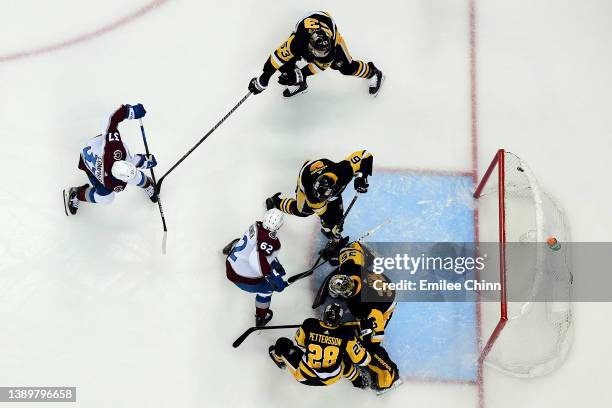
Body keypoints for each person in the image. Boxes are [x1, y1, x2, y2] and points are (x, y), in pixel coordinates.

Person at [248, 11, 384, 98]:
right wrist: (263, 80)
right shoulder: (297, 41)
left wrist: (301, 74)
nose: (320, 55)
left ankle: (373, 73)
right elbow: (277, 58)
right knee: (285, 63)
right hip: (309, 25)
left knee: (346, 68)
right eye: (317, 52)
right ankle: (300, 84)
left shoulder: (330, 53)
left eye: (323, 52)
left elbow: (320, 66)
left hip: (329, 29)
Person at [266, 150, 373, 259]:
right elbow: (324, 215)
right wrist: (332, 228)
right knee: (303, 211)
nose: (321, 200)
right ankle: (276, 202)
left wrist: (361, 177)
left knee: (337, 219)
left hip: (324, 173)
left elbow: (365, 155)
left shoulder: (344, 169)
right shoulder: (312, 196)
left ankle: (331, 235)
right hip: (306, 174)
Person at [325, 242, 402, 394]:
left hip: (384, 306)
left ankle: (391, 376)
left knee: (370, 348)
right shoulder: (351, 271)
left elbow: (376, 336)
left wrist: (366, 340)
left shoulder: (364, 308)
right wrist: (335, 254)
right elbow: (353, 248)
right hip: (378, 285)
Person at [63, 103, 157, 216]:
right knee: (107, 197)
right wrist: (143, 161)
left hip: (94, 150)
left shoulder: (113, 149)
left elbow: (110, 120)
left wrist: (129, 111)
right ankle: (76, 194)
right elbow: (132, 168)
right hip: (89, 165)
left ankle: (148, 184)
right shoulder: (114, 183)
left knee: (132, 175)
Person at [268, 303, 371, 388]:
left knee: (282, 343)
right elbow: (364, 360)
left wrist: (318, 340)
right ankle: (359, 381)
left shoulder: (309, 324)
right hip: (332, 379)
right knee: (342, 360)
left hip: (305, 376)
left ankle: (279, 360)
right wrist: (366, 334)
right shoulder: (346, 334)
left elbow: (300, 343)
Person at [223, 209, 287, 327]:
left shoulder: (256, 225)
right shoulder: (272, 242)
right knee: (267, 289)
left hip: (230, 264)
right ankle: (261, 317)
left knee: (245, 242)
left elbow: (259, 249)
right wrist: (270, 276)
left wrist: (274, 264)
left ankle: (230, 248)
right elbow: (256, 258)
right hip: (239, 277)